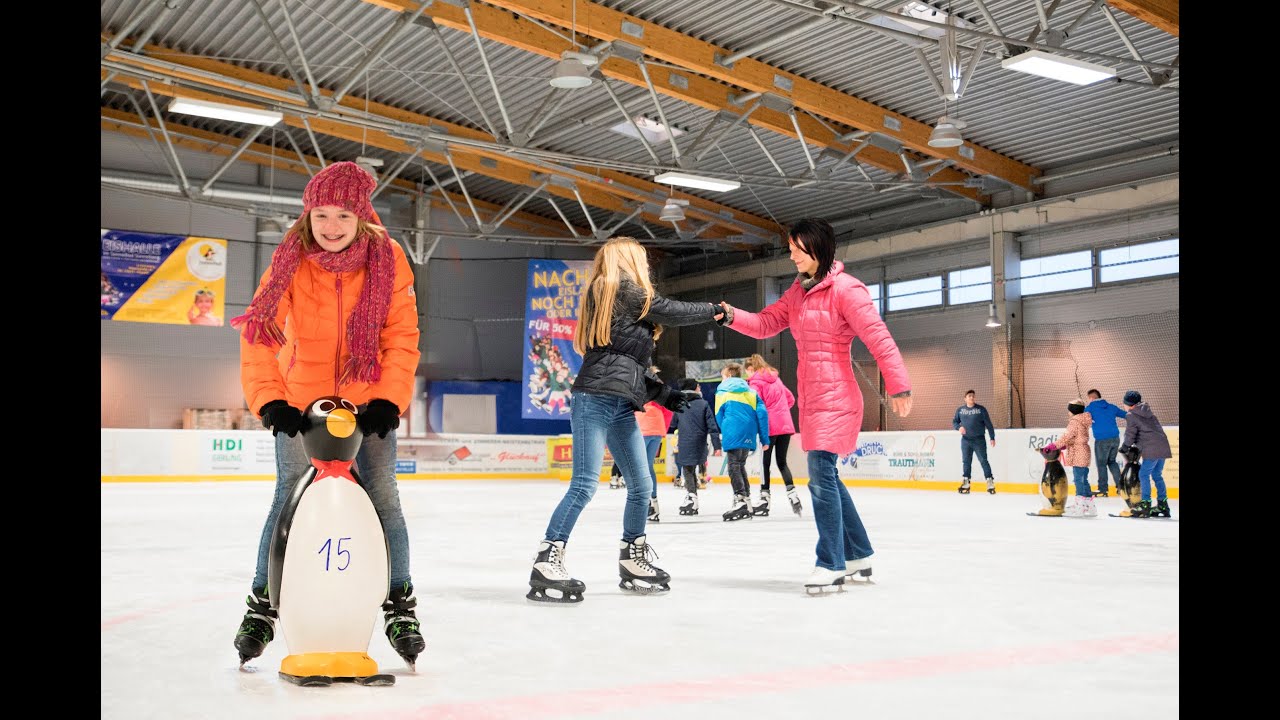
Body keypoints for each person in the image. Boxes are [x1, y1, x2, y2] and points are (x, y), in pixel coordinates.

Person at [228, 161, 424, 668]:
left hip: (366, 404)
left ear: (361, 215)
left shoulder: (389, 258)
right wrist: (271, 400)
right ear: (307, 215)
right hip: (301, 406)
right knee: (287, 500)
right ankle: (262, 606)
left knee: (384, 497)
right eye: (320, 215)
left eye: (342, 214)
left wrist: (387, 399)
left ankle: (399, 604)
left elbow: (400, 335)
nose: (331, 226)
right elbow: (259, 333)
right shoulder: (290, 258)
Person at [717, 218, 912, 593]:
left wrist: (899, 386)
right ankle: (859, 553)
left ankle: (831, 562)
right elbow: (764, 324)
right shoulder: (797, 292)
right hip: (812, 398)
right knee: (829, 478)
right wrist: (730, 316)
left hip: (838, 398)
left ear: (816, 248)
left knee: (821, 476)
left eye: (796, 249)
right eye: (789, 249)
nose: (790, 256)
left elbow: (879, 338)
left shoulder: (846, 290)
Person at [527, 237, 722, 603]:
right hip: (594, 400)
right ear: (629, 261)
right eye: (642, 260)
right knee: (585, 484)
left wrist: (664, 394)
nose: (645, 267)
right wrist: (714, 310)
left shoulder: (616, 303)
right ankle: (547, 557)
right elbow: (670, 310)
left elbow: (625, 367)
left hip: (619, 404)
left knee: (642, 485)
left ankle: (632, 556)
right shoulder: (615, 287)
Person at [745, 354, 802, 516]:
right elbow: (790, 399)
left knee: (765, 465)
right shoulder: (776, 379)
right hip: (785, 426)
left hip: (769, 428)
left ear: (751, 369)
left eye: (747, 373)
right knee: (782, 462)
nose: (747, 376)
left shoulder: (755, 383)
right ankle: (793, 496)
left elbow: (756, 406)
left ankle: (764, 500)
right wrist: (781, 412)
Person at [714, 362, 770, 522]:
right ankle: (746, 500)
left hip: (732, 430)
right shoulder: (751, 392)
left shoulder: (722, 392)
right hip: (749, 433)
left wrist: (726, 430)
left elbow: (719, 415)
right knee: (740, 464)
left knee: (733, 466)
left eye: (723, 376)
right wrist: (764, 439)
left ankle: (740, 499)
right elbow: (762, 415)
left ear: (729, 376)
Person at [1119, 390, 1173, 518]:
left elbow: (1130, 433)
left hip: (1152, 449)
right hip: (1162, 446)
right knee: (1157, 474)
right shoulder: (1149, 412)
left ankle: (1145, 504)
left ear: (1129, 404)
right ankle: (1163, 504)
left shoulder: (1131, 415)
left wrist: (1125, 446)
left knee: (1143, 474)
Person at [671, 378, 720, 516]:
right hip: (700, 442)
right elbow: (712, 426)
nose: (700, 388)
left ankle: (692, 497)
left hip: (685, 442)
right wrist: (717, 446)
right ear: (694, 388)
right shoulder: (703, 404)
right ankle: (693, 497)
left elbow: (673, 424)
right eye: (698, 386)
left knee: (688, 470)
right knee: (697, 467)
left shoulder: (679, 405)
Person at [636, 364, 675, 523]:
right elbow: (669, 409)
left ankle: (646, 505)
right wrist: (663, 428)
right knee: (648, 466)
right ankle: (653, 503)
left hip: (643, 427)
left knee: (640, 468)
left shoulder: (638, 385)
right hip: (657, 429)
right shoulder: (660, 386)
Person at [1056, 399, 1097, 517]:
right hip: (1084, 451)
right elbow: (1075, 436)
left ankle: (1080, 507)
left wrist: (1055, 445)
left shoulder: (1074, 422)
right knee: (1084, 479)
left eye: (1069, 410)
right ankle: (1090, 506)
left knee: (1079, 480)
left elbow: (1067, 436)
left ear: (1072, 411)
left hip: (1078, 453)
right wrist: (1066, 444)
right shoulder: (1082, 420)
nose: (1068, 412)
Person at [952, 390, 996, 494]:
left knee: (983, 461)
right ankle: (966, 482)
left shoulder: (981, 410)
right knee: (966, 461)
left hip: (979, 440)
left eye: (973, 396)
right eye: (969, 396)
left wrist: (992, 437)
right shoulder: (960, 410)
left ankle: (990, 482)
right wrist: (959, 427)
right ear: (965, 398)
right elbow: (955, 421)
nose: (971, 398)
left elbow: (988, 424)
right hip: (966, 440)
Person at [1085, 389, 1127, 497]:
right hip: (1115, 439)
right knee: (1112, 461)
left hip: (1102, 440)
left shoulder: (1090, 408)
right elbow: (1126, 415)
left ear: (1091, 398)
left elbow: (1080, 419)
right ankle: (1121, 487)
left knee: (1101, 464)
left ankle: (1103, 490)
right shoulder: (1111, 407)